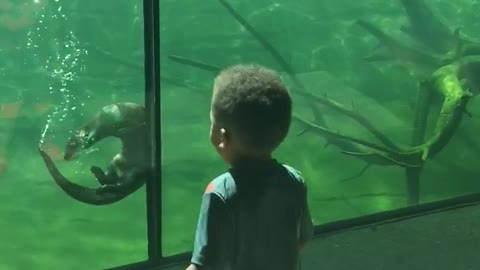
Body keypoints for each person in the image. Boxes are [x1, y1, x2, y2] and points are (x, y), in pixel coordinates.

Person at [186, 64, 314, 270]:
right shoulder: (294, 181)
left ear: (221, 136)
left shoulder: (220, 193)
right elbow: (302, 239)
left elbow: (204, 266)